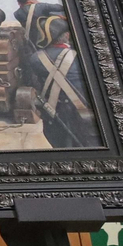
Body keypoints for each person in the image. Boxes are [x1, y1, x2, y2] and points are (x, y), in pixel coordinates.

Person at [23, 17, 100, 148]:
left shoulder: (36, 59)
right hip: (85, 114)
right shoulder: (82, 56)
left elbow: (32, 83)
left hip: (55, 116)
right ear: (67, 35)